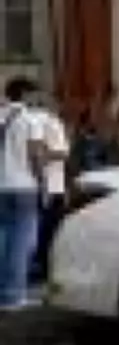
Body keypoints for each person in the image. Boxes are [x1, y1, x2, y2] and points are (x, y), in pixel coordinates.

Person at [0, 77, 46, 310]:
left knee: (4, 241)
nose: (37, 99)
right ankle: (13, 296)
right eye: (34, 94)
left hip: (2, 186)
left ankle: (4, 291)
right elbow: (35, 155)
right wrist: (43, 183)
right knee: (23, 243)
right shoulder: (30, 119)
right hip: (23, 186)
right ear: (25, 94)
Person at [28, 90, 69, 283]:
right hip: (50, 186)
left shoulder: (26, 121)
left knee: (37, 230)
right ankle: (44, 269)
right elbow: (61, 153)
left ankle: (37, 267)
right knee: (49, 231)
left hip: (36, 185)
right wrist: (40, 157)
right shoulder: (52, 123)